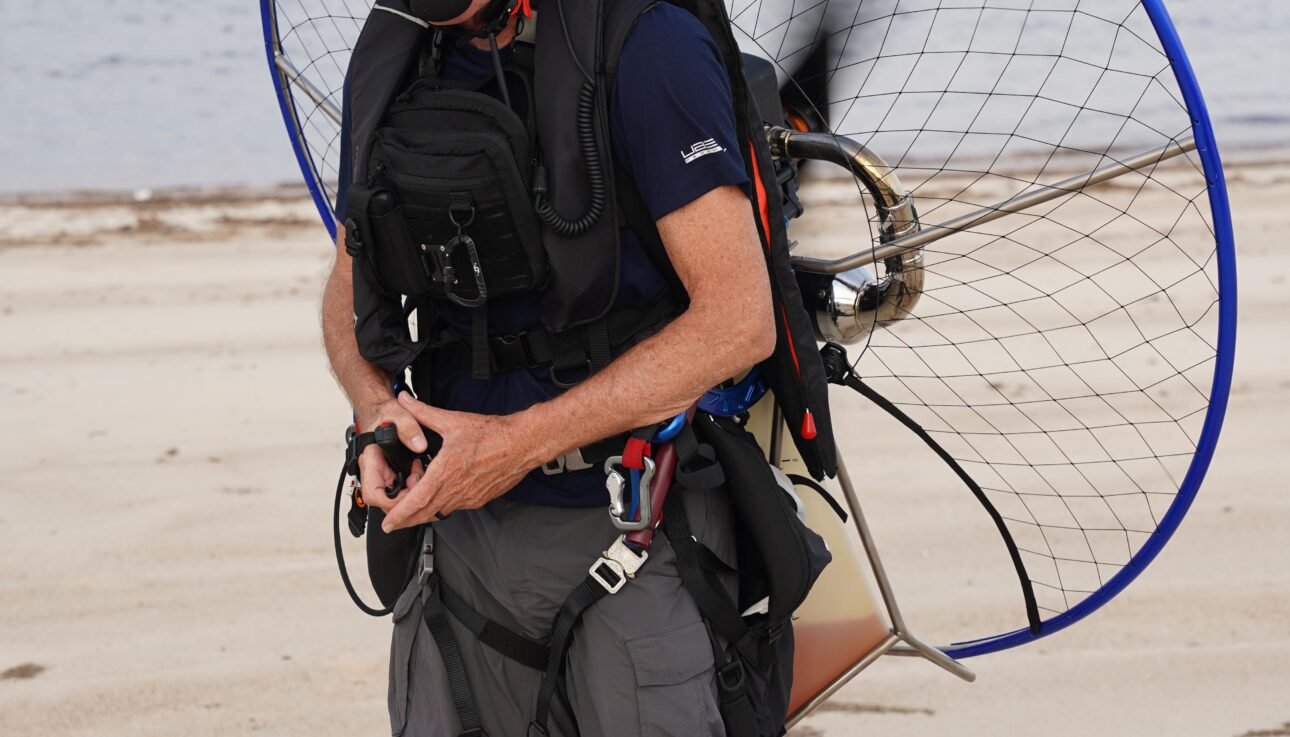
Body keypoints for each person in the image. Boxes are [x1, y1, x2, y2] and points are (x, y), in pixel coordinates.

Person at [321, 0, 836, 734]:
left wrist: (515, 445)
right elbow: (347, 280)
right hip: (453, 539)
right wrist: (373, 406)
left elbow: (736, 321)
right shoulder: (396, 50)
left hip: (632, 527)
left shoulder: (650, 43)